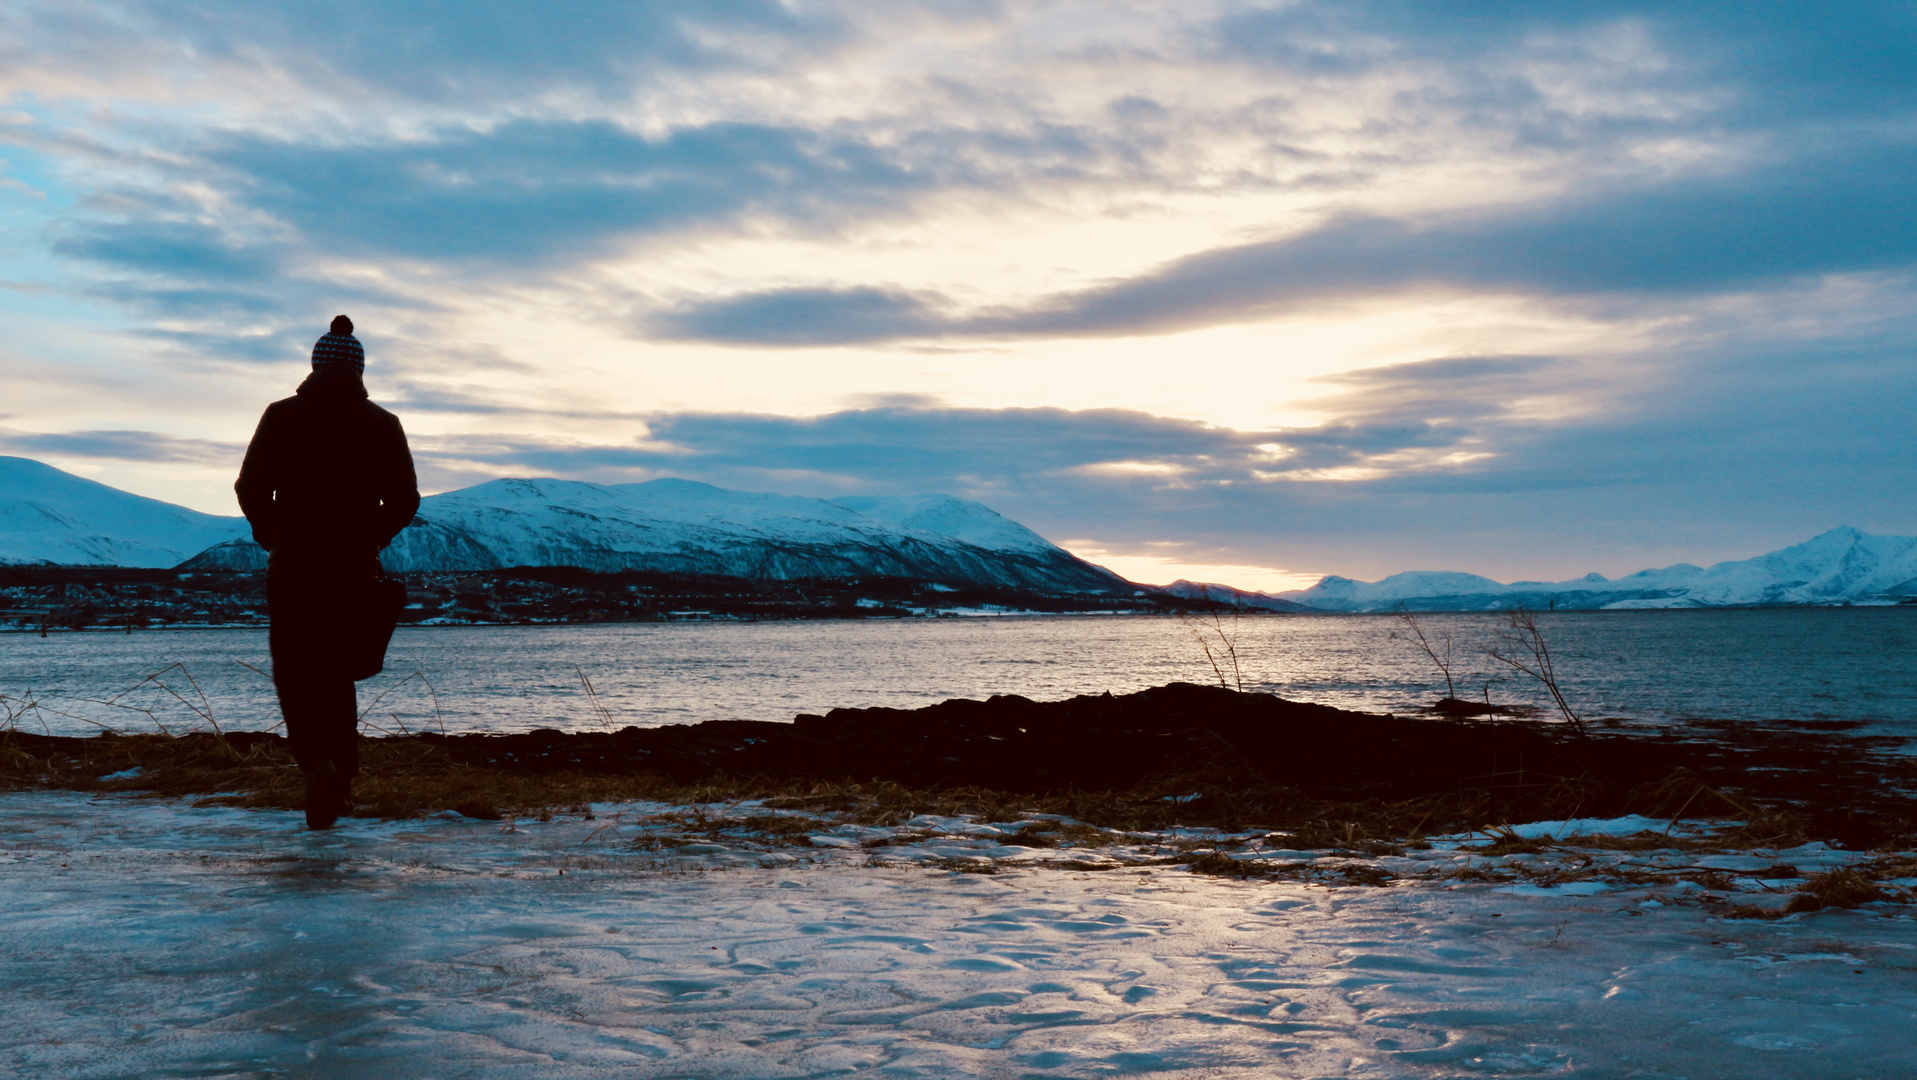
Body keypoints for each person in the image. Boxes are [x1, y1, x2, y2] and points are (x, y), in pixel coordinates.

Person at [236, 315, 419, 828]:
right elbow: (405, 499)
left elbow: (249, 489)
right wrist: (371, 538)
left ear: (315, 366)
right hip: (353, 568)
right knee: (338, 675)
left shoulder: (281, 416)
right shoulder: (382, 424)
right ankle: (343, 780)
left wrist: (274, 535)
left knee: (295, 675)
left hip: (292, 567)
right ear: (359, 371)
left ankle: (316, 766)